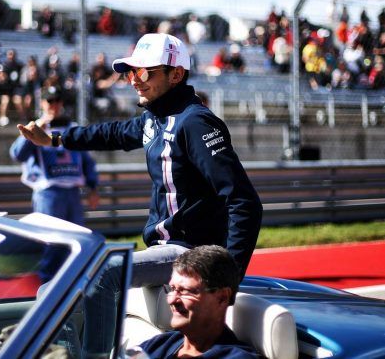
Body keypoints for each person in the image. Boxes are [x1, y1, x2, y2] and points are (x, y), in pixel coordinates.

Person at [17, 33, 262, 356]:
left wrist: (227, 276)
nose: (134, 81)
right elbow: (112, 134)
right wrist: (56, 140)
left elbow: (244, 202)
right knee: (53, 288)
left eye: (144, 73)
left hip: (189, 250)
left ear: (176, 75)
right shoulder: (154, 118)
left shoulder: (197, 123)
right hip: (163, 247)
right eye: (130, 72)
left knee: (103, 272)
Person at [137, 245, 259, 358]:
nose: (172, 299)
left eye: (185, 291)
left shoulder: (237, 356)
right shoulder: (160, 344)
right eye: (172, 289)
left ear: (222, 297)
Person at [10, 85, 99, 226]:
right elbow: (17, 155)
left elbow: (87, 161)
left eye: (57, 100)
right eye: (50, 101)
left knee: (76, 239)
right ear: (42, 103)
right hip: (47, 192)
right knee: (51, 240)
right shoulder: (35, 128)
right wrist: (34, 132)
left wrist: (92, 188)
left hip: (73, 192)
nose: (54, 105)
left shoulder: (72, 127)